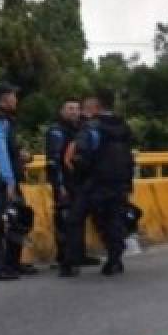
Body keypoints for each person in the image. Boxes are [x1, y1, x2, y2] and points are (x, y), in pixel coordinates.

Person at [66, 90, 135, 276]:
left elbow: (80, 156)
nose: (82, 111)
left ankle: (70, 263)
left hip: (94, 183)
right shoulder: (123, 126)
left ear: (95, 107)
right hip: (119, 182)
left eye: (85, 107)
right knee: (113, 220)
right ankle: (115, 260)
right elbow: (130, 155)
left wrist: (78, 176)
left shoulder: (91, 127)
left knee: (74, 219)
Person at [0, 82, 35, 280]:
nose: (16, 100)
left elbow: (8, 150)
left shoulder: (4, 119)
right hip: (0, 179)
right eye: (13, 96)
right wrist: (8, 180)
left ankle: (12, 263)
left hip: (7, 178)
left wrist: (20, 155)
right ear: (4, 98)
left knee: (18, 218)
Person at [46, 99, 98, 271]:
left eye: (76, 108)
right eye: (70, 108)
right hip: (64, 181)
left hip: (79, 181)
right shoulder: (56, 131)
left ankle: (79, 254)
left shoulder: (81, 130)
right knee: (64, 217)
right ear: (62, 111)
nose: (74, 112)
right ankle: (64, 257)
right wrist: (59, 185)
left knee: (79, 217)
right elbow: (54, 161)